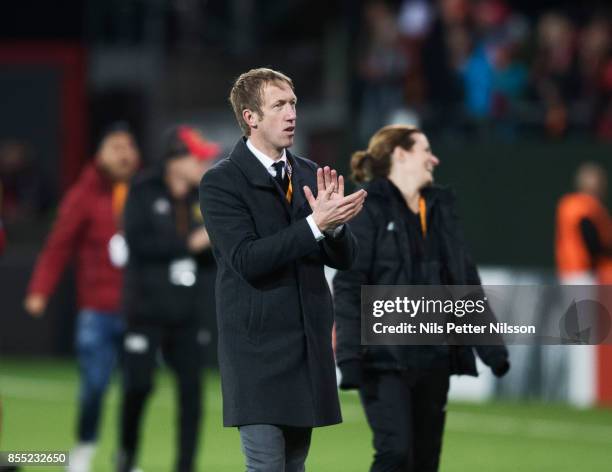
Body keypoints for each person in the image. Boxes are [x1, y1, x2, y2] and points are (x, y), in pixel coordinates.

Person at [199, 67, 366, 471]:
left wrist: (338, 228)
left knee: (294, 467)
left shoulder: (309, 173)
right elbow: (247, 261)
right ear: (250, 117)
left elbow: (344, 260)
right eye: (279, 105)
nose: (291, 113)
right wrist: (314, 226)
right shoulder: (222, 182)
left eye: (293, 104)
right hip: (256, 353)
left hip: (305, 348)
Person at [333, 124, 510, 472]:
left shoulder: (440, 210)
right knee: (395, 453)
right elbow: (349, 283)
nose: (434, 158)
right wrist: (349, 356)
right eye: (425, 150)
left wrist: (492, 350)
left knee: (426, 462)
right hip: (382, 360)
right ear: (400, 155)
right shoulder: (367, 209)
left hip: (434, 357)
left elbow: (464, 284)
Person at [23, 123, 140, 472]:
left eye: (128, 146)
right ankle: (85, 446)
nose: (123, 153)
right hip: (97, 310)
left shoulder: (144, 192)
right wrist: (39, 290)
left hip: (137, 309)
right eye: (115, 146)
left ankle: (126, 457)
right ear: (100, 153)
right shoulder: (83, 195)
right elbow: (58, 247)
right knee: (94, 386)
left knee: (136, 390)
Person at [117, 125, 220, 472]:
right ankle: (126, 457)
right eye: (197, 157)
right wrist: (190, 243)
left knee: (192, 394)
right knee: (139, 387)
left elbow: (209, 257)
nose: (205, 164)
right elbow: (138, 244)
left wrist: (213, 242)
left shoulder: (201, 198)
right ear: (175, 159)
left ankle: (185, 466)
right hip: (145, 310)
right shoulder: (144, 190)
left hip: (186, 313)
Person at [556, 162, 612, 284]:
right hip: (583, 271)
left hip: (570, 270)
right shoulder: (584, 206)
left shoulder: (568, 204)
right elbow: (591, 239)